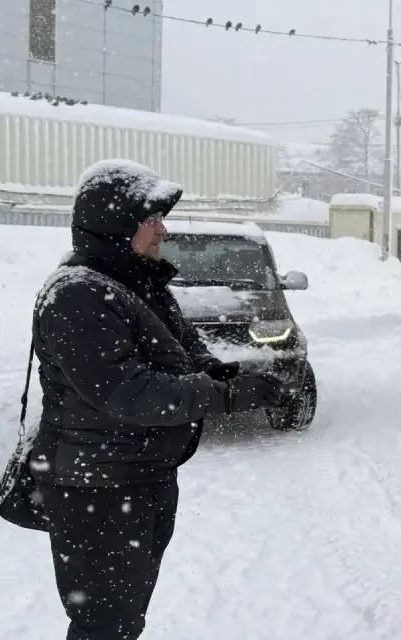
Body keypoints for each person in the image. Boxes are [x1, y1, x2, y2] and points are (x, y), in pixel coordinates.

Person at [29, 160, 286, 639]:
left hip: (137, 476)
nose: (162, 231)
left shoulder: (136, 282)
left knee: (124, 620)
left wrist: (220, 371)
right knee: (104, 624)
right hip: (98, 489)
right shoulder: (78, 295)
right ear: (117, 226)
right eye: (152, 221)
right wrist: (225, 396)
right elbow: (126, 391)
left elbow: (183, 348)